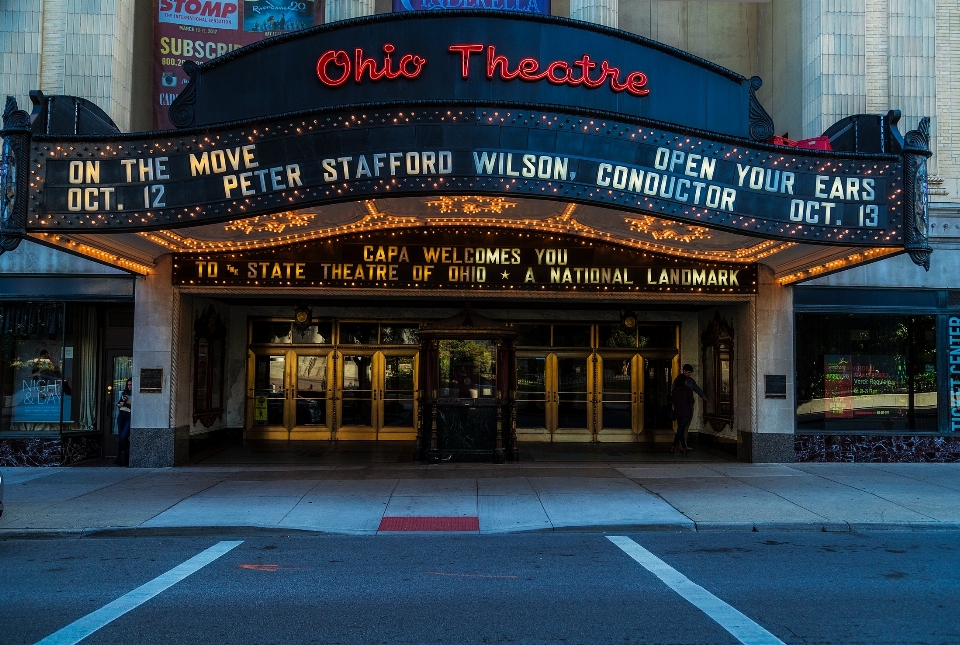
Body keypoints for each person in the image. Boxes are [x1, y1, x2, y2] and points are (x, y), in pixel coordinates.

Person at [670, 364, 709, 454]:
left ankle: (682, 445)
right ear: (684, 371)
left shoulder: (681, 384)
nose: (689, 374)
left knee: (682, 427)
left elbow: (698, 390)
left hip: (679, 409)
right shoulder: (686, 386)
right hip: (687, 409)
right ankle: (680, 445)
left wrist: (705, 399)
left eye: (690, 373)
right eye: (688, 372)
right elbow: (693, 396)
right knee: (683, 427)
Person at [115, 378, 132, 466]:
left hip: (129, 417)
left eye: (131, 385)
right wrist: (122, 402)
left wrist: (126, 404)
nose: (129, 386)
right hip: (122, 416)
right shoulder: (124, 394)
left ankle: (127, 453)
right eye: (128, 385)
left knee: (123, 436)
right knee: (120, 438)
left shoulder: (135, 394)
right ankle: (121, 458)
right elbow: (118, 404)